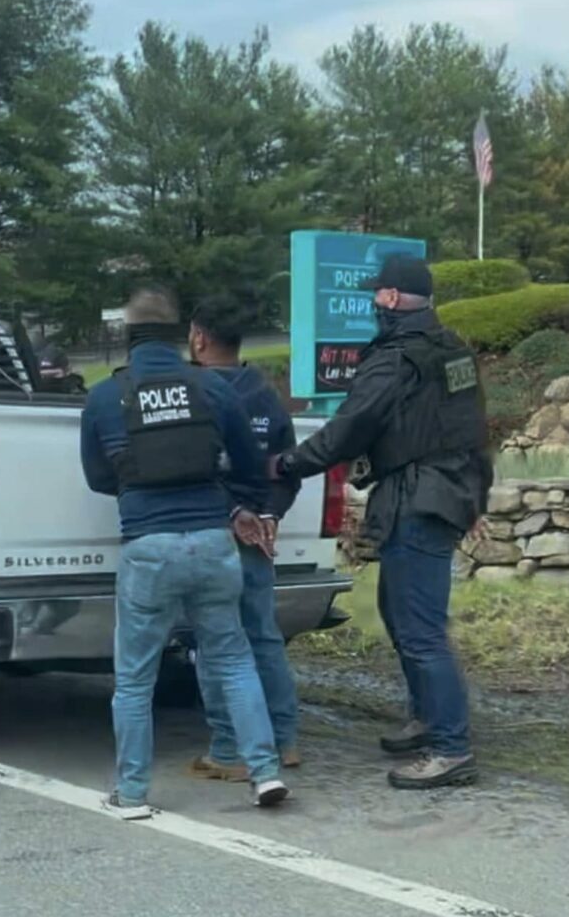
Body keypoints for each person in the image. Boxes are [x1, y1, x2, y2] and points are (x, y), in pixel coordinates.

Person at [271, 254, 492, 790]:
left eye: (378, 295)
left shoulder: (396, 359)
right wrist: (477, 497)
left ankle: (450, 748)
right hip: (447, 492)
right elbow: (470, 427)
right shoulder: (452, 350)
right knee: (400, 614)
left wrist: (289, 464)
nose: (374, 302)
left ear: (390, 298)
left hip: (419, 500)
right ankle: (427, 719)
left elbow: (350, 427)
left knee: (419, 629)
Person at [80, 286, 289, 818]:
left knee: (134, 679)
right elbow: (248, 463)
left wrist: (139, 489)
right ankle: (264, 773)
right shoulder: (211, 388)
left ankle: (130, 795)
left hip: (149, 546)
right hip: (212, 545)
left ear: (127, 339)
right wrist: (238, 503)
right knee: (234, 659)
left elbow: (97, 475)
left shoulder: (106, 396)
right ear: (181, 338)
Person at [187, 295, 302, 780]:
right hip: (258, 535)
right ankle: (285, 738)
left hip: (212, 530)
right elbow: (286, 466)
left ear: (198, 339)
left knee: (216, 642)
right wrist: (269, 513)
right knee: (263, 636)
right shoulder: (264, 393)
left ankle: (226, 747)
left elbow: (189, 466)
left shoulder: (194, 391)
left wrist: (233, 511)